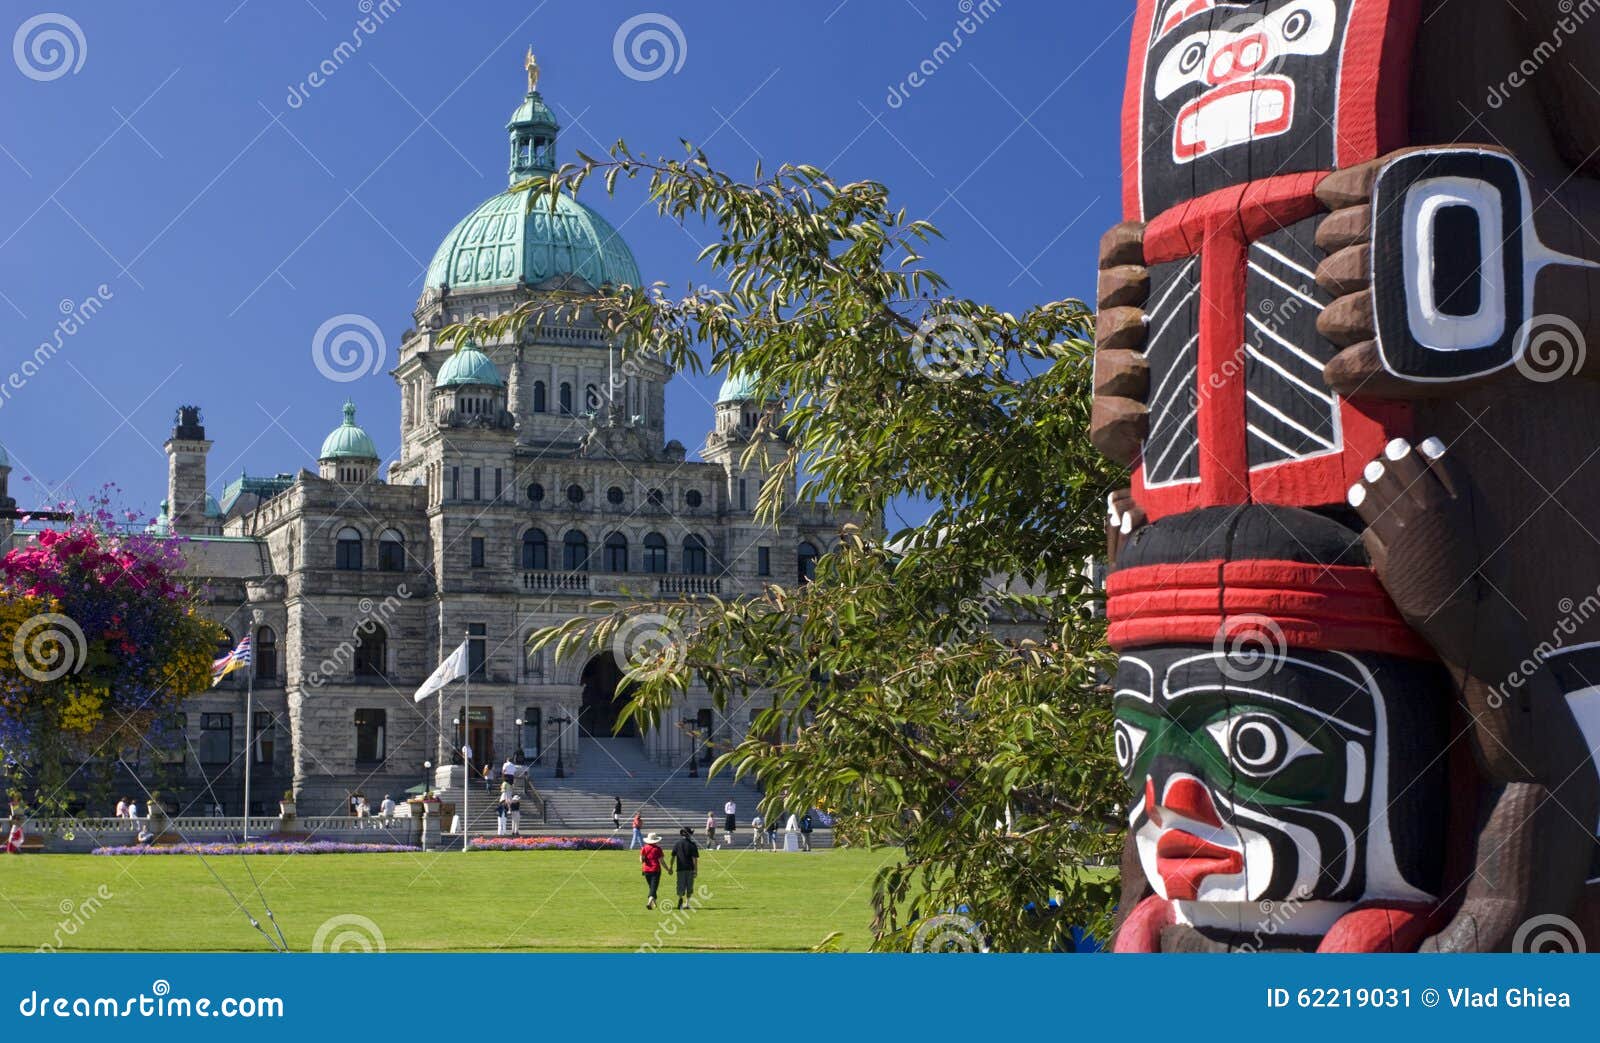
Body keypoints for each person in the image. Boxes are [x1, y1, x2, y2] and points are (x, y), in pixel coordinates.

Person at [669, 827, 699, 910]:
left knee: (680, 885)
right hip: (690, 869)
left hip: (680, 868)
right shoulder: (692, 845)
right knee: (689, 886)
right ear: (690, 835)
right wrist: (696, 870)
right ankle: (687, 903)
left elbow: (673, 857)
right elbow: (694, 859)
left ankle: (680, 898)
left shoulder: (677, 844)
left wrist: (671, 867)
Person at [639, 832, 666, 910]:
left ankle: (654, 903)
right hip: (655, 870)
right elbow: (662, 861)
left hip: (646, 870)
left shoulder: (644, 848)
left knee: (652, 887)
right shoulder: (658, 849)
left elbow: (641, 860)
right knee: (653, 887)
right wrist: (667, 869)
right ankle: (649, 902)